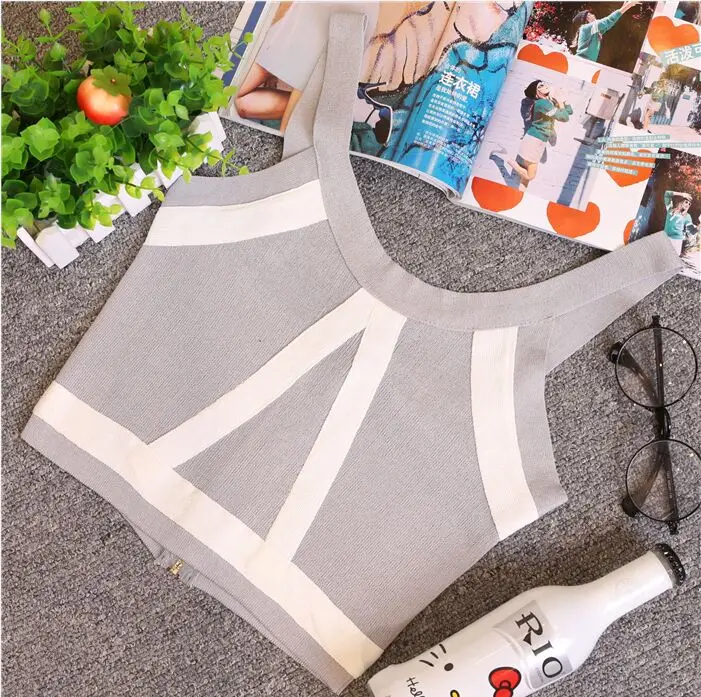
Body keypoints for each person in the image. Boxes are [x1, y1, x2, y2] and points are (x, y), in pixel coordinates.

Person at [491, 80, 573, 191]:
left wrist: (563, 100)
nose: (545, 86)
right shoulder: (542, 104)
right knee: (530, 176)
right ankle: (504, 157)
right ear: (536, 93)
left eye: (545, 84)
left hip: (538, 142)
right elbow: (564, 117)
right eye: (541, 86)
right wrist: (560, 102)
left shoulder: (549, 102)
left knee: (526, 177)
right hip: (534, 142)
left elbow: (569, 111)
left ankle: (521, 194)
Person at [570, 1, 641, 63]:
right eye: (590, 14)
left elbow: (608, 24)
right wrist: (628, 6)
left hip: (585, 64)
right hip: (582, 63)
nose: (593, 15)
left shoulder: (594, 32)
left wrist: (623, 7)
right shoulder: (586, 28)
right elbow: (608, 21)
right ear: (587, 18)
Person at [663, 190, 694, 254]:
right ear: (681, 201)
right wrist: (682, 194)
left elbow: (692, 231)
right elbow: (667, 194)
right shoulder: (670, 209)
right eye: (686, 202)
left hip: (676, 241)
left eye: (689, 204)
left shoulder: (687, 216)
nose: (687, 205)